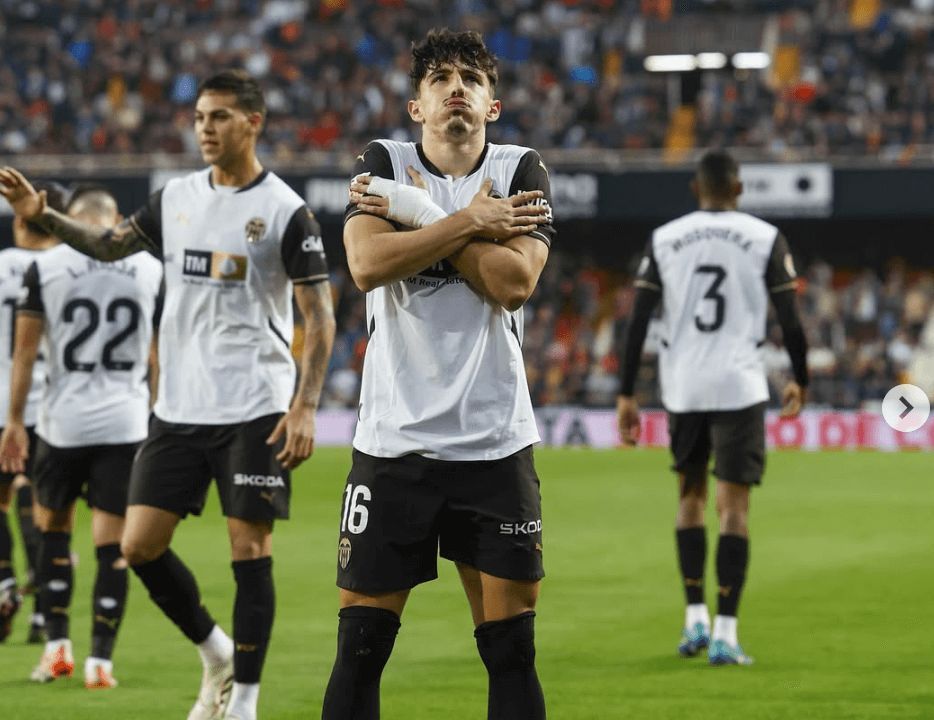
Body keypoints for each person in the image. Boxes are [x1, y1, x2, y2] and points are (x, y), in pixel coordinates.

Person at [0, 68, 336, 720]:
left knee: (249, 548)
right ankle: (215, 651)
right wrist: (45, 218)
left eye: (218, 117)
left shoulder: (285, 212)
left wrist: (304, 404)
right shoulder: (175, 197)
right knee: (138, 547)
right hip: (178, 409)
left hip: (255, 406)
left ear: (253, 122)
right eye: (200, 117)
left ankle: (244, 702)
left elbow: (319, 315)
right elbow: (106, 246)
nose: (204, 128)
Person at [323, 29, 553, 720]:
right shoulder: (382, 159)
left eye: (472, 80)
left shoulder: (521, 170)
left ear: (493, 105)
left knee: (511, 650)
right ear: (417, 106)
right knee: (360, 648)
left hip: (494, 443)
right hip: (394, 446)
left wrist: (421, 214)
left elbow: (513, 284)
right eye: (439, 79)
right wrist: (472, 222)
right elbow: (366, 266)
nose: (456, 87)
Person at [616, 150, 809, 665]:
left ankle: (693, 619)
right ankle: (725, 631)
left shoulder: (666, 237)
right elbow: (790, 319)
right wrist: (801, 378)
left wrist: (626, 392)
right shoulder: (765, 237)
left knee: (690, 499)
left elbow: (638, 321)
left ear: (695, 189)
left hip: (684, 387)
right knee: (735, 512)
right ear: (739, 189)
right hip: (740, 386)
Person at [0, 184, 162, 689]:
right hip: (126, 424)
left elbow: (25, 355)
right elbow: (158, 359)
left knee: (53, 534)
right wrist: (157, 418)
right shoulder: (150, 268)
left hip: (62, 423)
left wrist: (13, 422)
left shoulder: (44, 268)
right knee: (111, 546)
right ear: (114, 220)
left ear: (69, 222)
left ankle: (57, 650)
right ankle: (102, 664)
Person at [0, 182, 65, 645]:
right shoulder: (65, 268)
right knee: (47, 511)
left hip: (4, 402)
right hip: (54, 404)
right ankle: (45, 611)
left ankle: (5, 580)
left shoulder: (2, 266)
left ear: (22, 219)